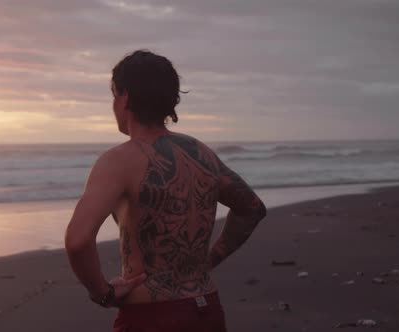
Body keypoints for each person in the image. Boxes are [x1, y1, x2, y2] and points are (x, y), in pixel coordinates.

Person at [65, 50, 267, 332]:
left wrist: (103, 293)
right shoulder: (201, 153)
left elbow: (77, 240)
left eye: (114, 95)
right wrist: (211, 259)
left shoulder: (118, 160)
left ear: (124, 98)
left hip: (151, 316)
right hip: (206, 307)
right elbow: (252, 208)